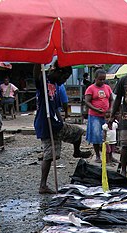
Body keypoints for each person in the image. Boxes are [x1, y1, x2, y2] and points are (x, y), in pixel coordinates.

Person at [33, 62, 91, 194]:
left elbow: (55, 105)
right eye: (64, 78)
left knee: (78, 132)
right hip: (46, 124)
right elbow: (36, 74)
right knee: (50, 155)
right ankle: (43, 185)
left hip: (56, 123)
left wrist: (61, 117)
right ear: (58, 72)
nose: (64, 81)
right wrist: (39, 59)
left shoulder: (55, 85)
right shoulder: (43, 80)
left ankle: (76, 151)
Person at [84, 69, 114, 163]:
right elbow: (87, 101)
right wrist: (95, 109)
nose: (102, 81)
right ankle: (97, 155)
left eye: (103, 79)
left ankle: (110, 155)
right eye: (100, 79)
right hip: (95, 115)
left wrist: (111, 109)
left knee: (109, 136)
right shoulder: (91, 88)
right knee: (96, 136)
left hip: (106, 115)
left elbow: (112, 99)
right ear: (95, 78)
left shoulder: (107, 88)